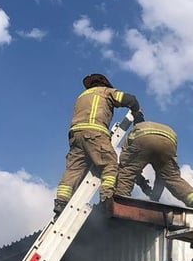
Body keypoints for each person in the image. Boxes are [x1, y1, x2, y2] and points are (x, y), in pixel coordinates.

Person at [54, 73, 144, 218]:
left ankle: (61, 202)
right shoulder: (105, 92)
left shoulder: (82, 96)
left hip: (75, 136)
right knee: (109, 164)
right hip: (95, 132)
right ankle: (106, 199)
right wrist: (137, 115)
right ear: (105, 84)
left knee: (74, 169)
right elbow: (130, 99)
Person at [115, 121, 193, 210]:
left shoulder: (132, 135)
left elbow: (127, 165)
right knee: (171, 177)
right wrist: (155, 198)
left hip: (143, 137)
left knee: (127, 171)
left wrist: (143, 185)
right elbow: (161, 178)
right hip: (169, 138)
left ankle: (120, 204)